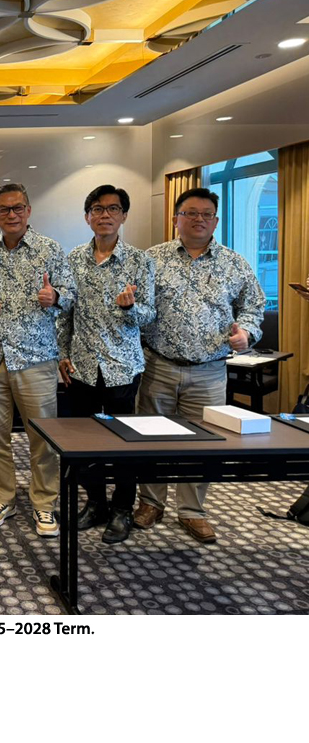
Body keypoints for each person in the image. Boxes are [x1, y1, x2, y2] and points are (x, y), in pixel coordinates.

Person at [136, 187, 265, 543]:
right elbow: (138, 308)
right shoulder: (151, 259)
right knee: (151, 438)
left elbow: (253, 306)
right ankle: (150, 502)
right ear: (175, 218)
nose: (199, 220)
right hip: (158, 365)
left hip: (209, 370)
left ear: (216, 221)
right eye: (190, 213)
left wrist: (247, 333)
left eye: (206, 214)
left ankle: (192, 511)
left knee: (202, 441)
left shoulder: (234, 263)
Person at [0, 183, 75, 538]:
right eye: (4, 209)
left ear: (29, 211)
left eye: (18, 208)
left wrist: (55, 295)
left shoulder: (51, 249)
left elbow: (72, 294)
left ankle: (44, 503)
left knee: (42, 439)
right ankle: (3, 498)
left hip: (36, 359)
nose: (11, 214)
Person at [57, 185, 155, 544]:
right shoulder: (73, 259)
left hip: (122, 367)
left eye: (113, 209)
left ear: (124, 216)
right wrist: (62, 353)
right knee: (86, 442)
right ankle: (96, 503)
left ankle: (122, 509)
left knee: (124, 442)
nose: (105, 215)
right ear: (87, 217)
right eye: (97, 209)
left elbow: (150, 314)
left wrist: (130, 308)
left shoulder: (140, 261)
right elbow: (64, 313)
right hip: (81, 366)